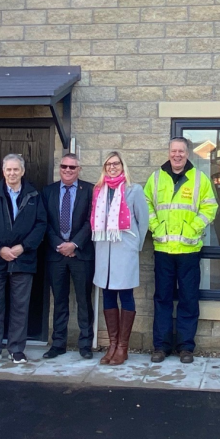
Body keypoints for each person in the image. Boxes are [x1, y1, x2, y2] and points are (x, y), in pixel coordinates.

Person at [145, 137, 218, 364]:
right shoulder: (156, 178)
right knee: (162, 299)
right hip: (163, 248)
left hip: (188, 249)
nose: (177, 155)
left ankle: (186, 347)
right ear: (169, 153)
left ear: (188, 154)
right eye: (174, 151)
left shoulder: (199, 178)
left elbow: (210, 207)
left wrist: (193, 228)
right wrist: (156, 227)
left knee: (188, 299)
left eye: (182, 151)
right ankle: (161, 346)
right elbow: (145, 204)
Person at [0, 153, 47, 365]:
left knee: (20, 307)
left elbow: (41, 224)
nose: (12, 173)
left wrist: (22, 248)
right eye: (8, 169)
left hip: (23, 259)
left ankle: (17, 349)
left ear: (23, 171)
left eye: (16, 169)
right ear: (3, 171)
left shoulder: (34, 195)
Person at [92, 151, 148, 366]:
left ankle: (123, 347)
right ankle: (112, 344)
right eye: (108, 164)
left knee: (125, 294)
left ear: (123, 166)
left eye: (116, 164)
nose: (112, 167)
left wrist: (135, 246)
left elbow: (143, 222)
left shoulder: (134, 190)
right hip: (104, 252)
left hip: (125, 250)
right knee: (107, 295)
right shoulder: (99, 191)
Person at [41, 153, 95, 360]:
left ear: (79, 170)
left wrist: (74, 244)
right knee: (60, 300)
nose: (68, 170)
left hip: (81, 254)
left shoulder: (89, 190)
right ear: (59, 167)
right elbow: (43, 221)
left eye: (73, 167)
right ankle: (58, 344)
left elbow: (92, 220)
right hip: (56, 255)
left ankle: (85, 344)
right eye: (64, 166)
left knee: (83, 300)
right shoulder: (48, 191)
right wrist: (59, 244)